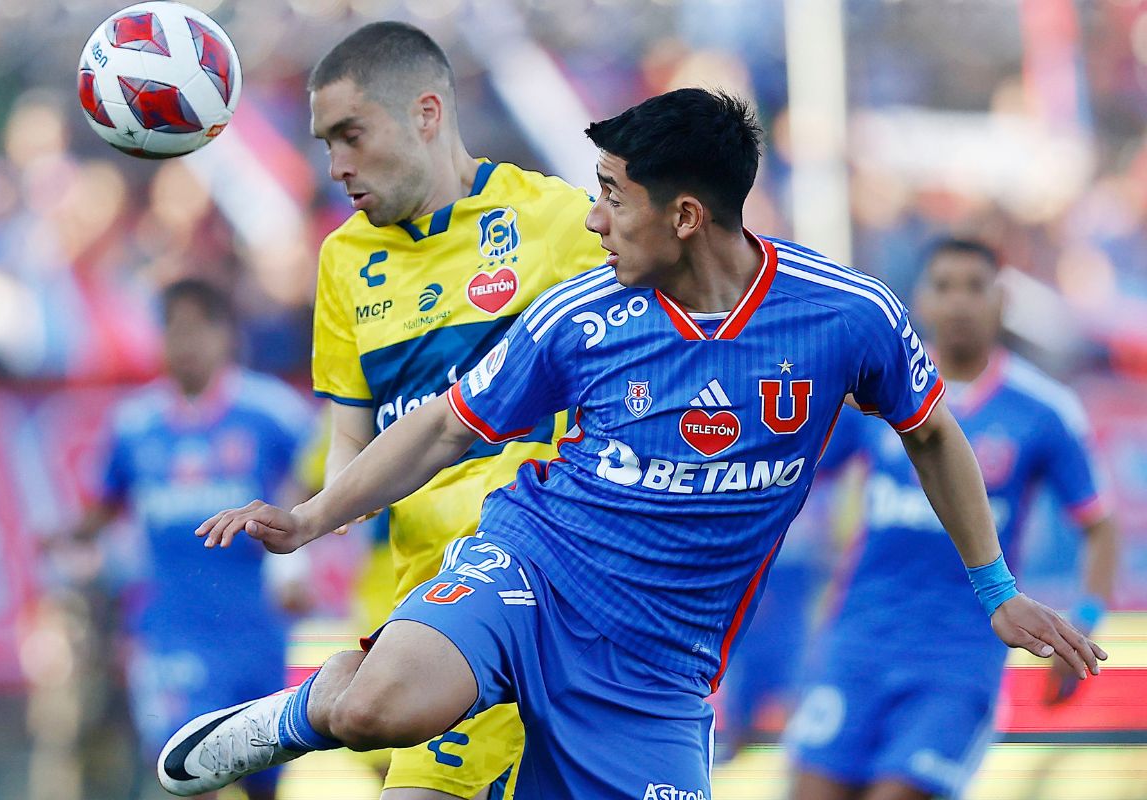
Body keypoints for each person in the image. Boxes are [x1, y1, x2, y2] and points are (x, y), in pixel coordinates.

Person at [157, 89, 1106, 800]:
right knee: (380, 709)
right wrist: (311, 516)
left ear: (685, 215)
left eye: (612, 195)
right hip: (533, 572)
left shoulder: (845, 316)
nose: (594, 219)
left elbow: (933, 432)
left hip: (659, 667)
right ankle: (296, 714)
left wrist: (997, 590)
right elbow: (446, 424)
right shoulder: (579, 316)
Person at [291, 20, 607, 800]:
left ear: (426, 114)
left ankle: (300, 716)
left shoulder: (560, 222)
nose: (335, 166)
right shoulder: (344, 261)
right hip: (435, 618)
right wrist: (330, 509)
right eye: (325, 142)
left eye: (350, 135)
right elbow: (350, 435)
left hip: (557, 603)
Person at [785, 238, 1119, 800]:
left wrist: (1084, 618)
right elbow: (797, 469)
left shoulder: (1042, 410)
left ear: (1001, 302)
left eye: (975, 287)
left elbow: (1101, 526)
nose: (960, 302)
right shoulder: (877, 397)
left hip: (956, 661)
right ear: (922, 301)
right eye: (945, 287)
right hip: (857, 644)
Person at [53, 278, 312, 800]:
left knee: (265, 785)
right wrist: (62, 545)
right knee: (187, 779)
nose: (185, 343)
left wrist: (293, 567)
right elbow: (105, 508)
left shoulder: (272, 412)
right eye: (173, 329)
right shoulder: (135, 425)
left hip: (255, 631)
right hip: (170, 633)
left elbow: (319, 479)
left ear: (226, 336)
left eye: (198, 328)